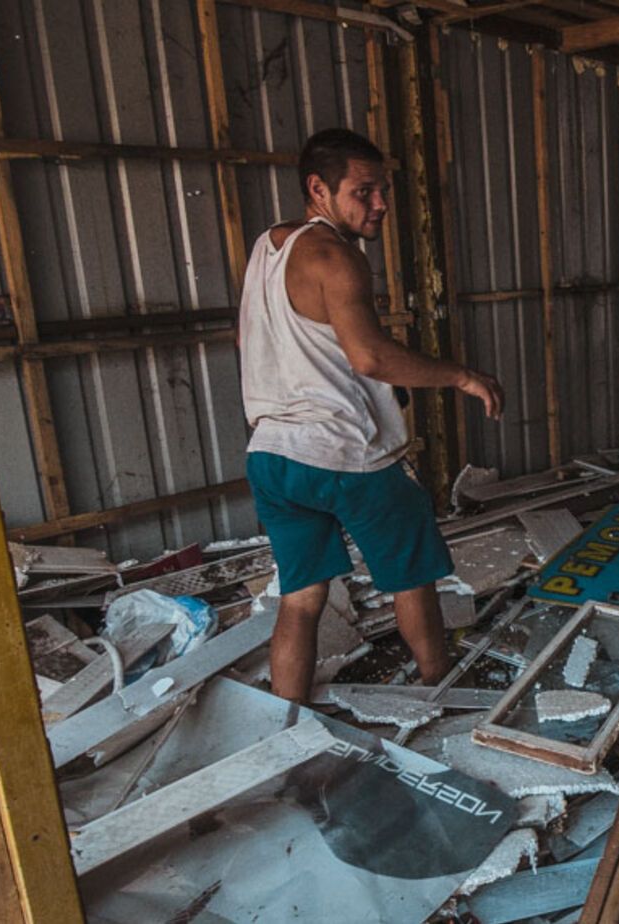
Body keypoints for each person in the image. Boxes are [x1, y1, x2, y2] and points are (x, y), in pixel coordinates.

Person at [239, 128, 505, 701]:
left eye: (383, 190)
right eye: (364, 191)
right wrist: (462, 376)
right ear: (318, 189)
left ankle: (287, 722)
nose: (380, 204)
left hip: (273, 456)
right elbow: (370, 357)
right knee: (412, 579)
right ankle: (444, 691)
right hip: (345, 455)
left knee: (302, 597)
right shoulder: (337, 258)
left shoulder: (269, 247)